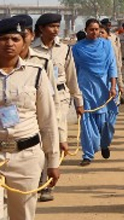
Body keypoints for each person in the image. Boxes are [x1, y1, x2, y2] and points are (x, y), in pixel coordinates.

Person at [0, 17, 61, 220]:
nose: (9, 43)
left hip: (26, 157)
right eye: (4, 38)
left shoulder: (36, 74)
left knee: (23, 215)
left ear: (23, 42)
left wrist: (53, 161)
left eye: (15, 39)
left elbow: (47, 120)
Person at [32, 13, 84, 202]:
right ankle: (38, 179)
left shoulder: (65, 50)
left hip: (60, 100)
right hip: (37, 100)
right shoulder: (30, 50)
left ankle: (46, 184)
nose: (56, 30)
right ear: (41, 29)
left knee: (55, 140)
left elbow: (72, 77)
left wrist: (79, 101)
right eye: (52, 26)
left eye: (57, 26)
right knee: (37, 141)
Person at [73, 18, 120, 167]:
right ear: (86, 30)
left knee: (106, 121)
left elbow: (112, 67)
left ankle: (104, 143)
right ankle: (88, 154)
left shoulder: (107, 45)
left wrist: (113, 86)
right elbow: (73, 70)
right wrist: (75, 91)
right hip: (85, 87)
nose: (94, 32)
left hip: (104, 87)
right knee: (87, 121)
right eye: (91, 29)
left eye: (97, 30)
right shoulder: (77, 48)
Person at [102, 18, 124, 102]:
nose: (108, 27)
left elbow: (118, 52)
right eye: (105, 25)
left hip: (115, 64)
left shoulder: (115, 38)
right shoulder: (99, 39)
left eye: (109, 25)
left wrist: (119, 63)